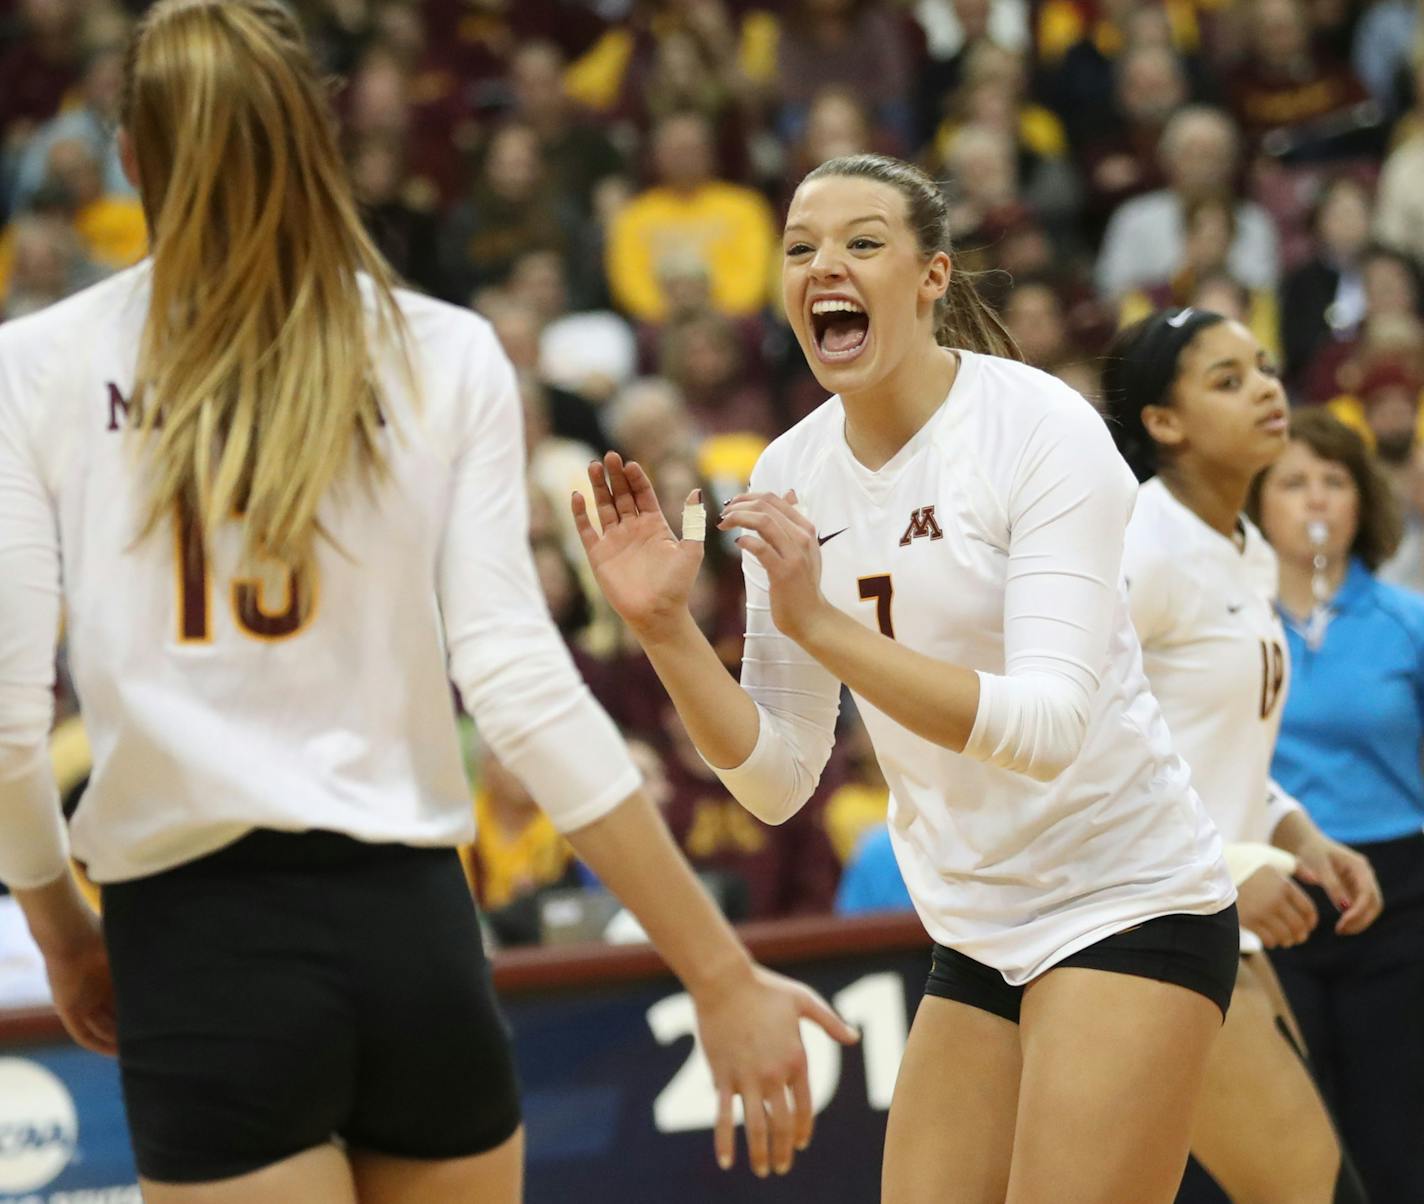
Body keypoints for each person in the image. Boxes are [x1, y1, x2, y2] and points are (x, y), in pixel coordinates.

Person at [0, 4, 858, 1202]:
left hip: (198, 943)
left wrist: (57, 927)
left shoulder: (37, 365)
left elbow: (6, 725)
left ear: (132, 155)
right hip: (413, 928)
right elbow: (518, 687)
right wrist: (715, 970)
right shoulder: (440, 348)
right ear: (317, 132)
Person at [573, 152, 1241, 1203]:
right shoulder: (788, 472)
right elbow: (779, 778)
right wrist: (663, 629)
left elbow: (1049, 722)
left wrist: (820, 624)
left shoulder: (1039, 428)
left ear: (931, 277)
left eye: (860, 243)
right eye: (799, 247)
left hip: (1126, 897)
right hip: (973, 929)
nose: (821, 264)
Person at [1105, 308, 1380, 1203]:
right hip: (1136, 922)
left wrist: (1297, 832)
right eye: (1227, 380)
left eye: (1263, 367)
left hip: (1210, 913)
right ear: (1163, 422)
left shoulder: (1247, 551)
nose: (1266, 387)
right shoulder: (1134, 548)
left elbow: (1208, 749)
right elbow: (1078, 752)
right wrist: (1227, 861)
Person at [1249, 408, 1424, 1202]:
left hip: (1401, 903)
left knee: (1398, 1145)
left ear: (1363, 501)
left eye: (1334, 480)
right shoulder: (1226, 627)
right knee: (1292, 1156)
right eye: (1292, 482)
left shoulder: (1408, 624)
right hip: (1269, 898)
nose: (1315, 499)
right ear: (1256, 504)